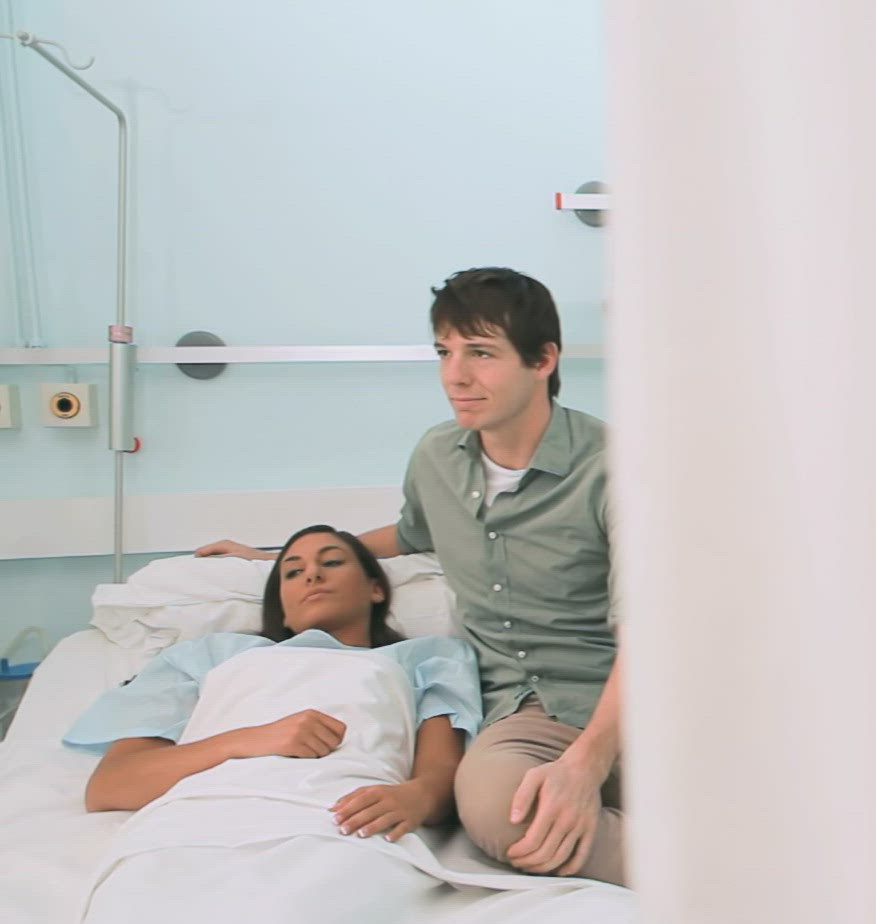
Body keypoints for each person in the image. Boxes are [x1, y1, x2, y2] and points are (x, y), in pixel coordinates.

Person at [197, 268, 625, 883]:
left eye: (481, 353)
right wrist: (274, 558)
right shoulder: (436, 458)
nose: (456, 376)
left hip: (627, 699)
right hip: (523, 717)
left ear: (543, 360)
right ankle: (719, 870)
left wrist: (587, 764)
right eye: (445, 352)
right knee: (497, 810)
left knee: (739, 779)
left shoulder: (616, 466)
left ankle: (724, 861)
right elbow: (409, 535)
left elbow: (650, 632)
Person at [71, 524, 481, 838]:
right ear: (281, 607)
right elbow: (111, 785)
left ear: (376, 588)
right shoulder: (206, 656)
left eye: (332, 563)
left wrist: (417, 799)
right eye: (293, 571)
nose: (312, 575)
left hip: (347, 822)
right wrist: (249, 740)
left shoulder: (429, 657)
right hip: (202, 822)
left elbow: (438, 774)